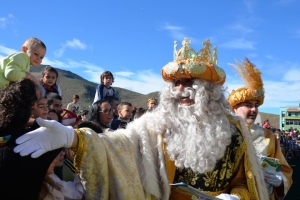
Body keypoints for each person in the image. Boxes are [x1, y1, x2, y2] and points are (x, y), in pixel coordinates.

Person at [14, 38, 268, 200]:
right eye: (176, 83)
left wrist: (236, 198)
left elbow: (244, 183)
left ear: (210, 89)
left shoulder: (235, 130)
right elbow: (118, 145)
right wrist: (72, 137)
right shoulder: (157, 123)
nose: (181, 90)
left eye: (189, 82)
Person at [227, 58, 293, 200]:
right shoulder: (223, 133)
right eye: (248, 105)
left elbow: (284, 169)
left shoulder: (268, 136)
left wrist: (280, 180)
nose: (253, 109)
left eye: (256, 105)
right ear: (235, 107)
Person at [0, 78, 62, 199]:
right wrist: (36, 122)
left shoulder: (4, 136)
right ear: (33, 105)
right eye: (38, 101)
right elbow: (61, 133)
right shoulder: (38, 142)